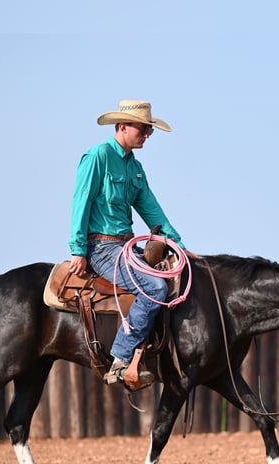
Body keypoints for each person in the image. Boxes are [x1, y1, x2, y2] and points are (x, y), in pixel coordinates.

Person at [68, 99, 196, 386]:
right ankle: (120, 359)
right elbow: (81, 202)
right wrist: (78, 250)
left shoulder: (135, 168)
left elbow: (152, 211)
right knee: (154, 286)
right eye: (143, 129)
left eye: (149, 130)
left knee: (174, 274)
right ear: (123, 127)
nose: (147, 135)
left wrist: (178, 244)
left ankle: (151, 359)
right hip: (100, 247)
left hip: (125, 246)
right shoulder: (97, 157)